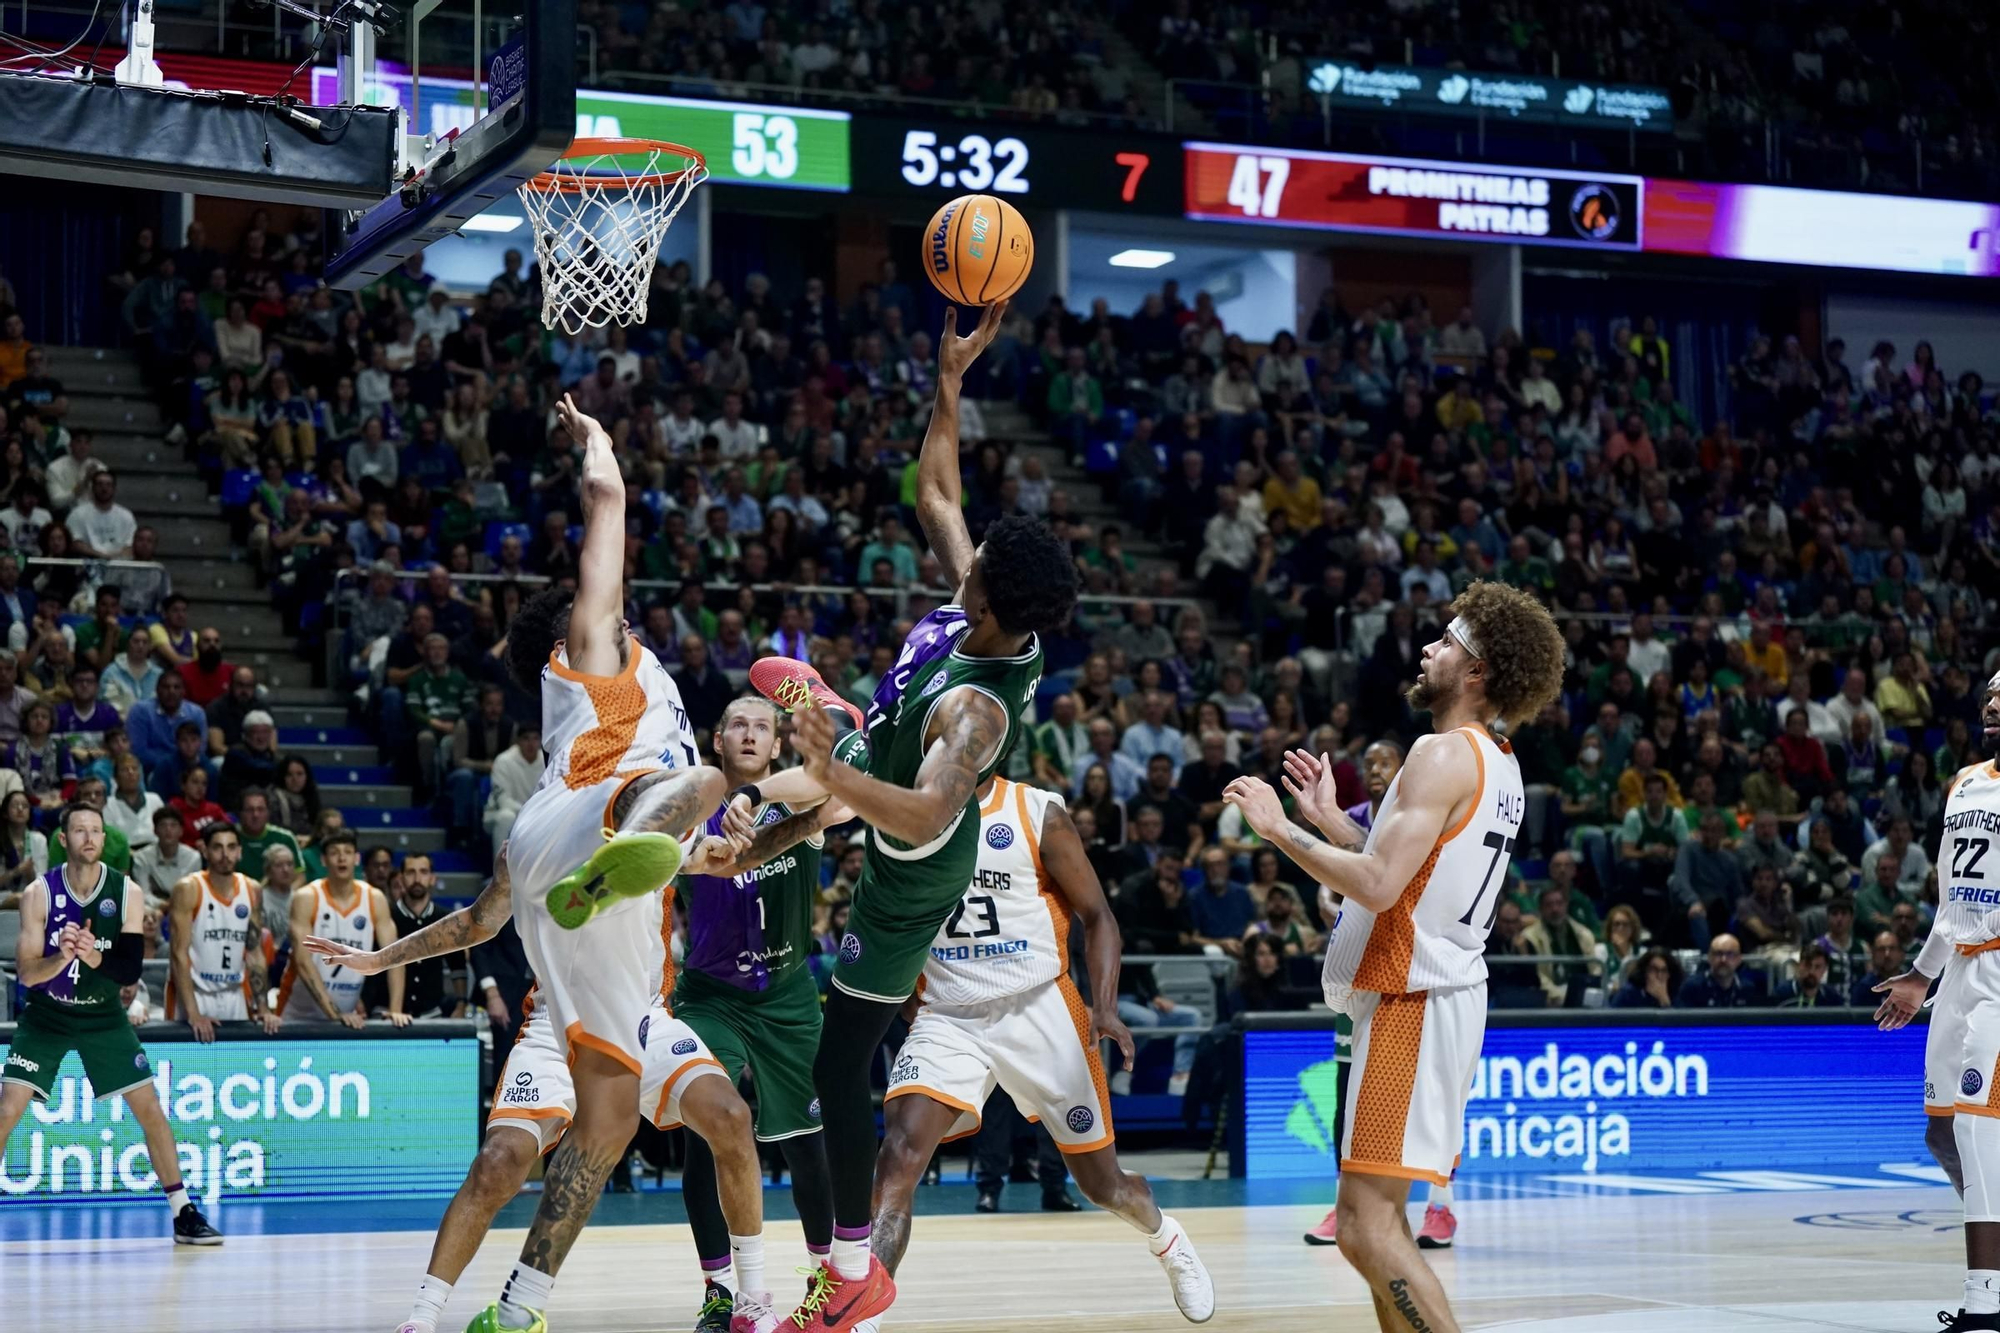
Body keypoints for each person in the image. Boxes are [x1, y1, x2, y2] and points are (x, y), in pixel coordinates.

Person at [741, 303, 1080, 1333]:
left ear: (987, 596)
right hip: (872, 784)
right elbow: (935, 487)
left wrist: (831, 774)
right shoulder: (975, 603)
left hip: (912, 864)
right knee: (822, 1061)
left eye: (975, 557)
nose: (961, 547)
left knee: (838, 1064)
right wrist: (948, 377)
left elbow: (931, 803)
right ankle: (831, 744)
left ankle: (852, 1271)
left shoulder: (976, 706)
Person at [449, 392, 733, 1333]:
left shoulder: (617, 683)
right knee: (691, 779)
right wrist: (599, 441)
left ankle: (521, 1305)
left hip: (573, 892)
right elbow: (604, 508)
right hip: (597, 823)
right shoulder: (600, 656)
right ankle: (632, 847)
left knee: (607, 1127)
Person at [1227, 580, 1563, 1333]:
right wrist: (1330, 824)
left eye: (1445, 642)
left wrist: (1280, 829)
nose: (1427, 649)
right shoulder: (1498, 760)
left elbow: (1379, 887)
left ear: (1476, 671)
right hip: (1436, 993)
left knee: (1362, 1228)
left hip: (1413, 998)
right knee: (1381, 1224)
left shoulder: (1439, 751)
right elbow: (1411, 872)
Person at [303, 830, 769, 1333]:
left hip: (644, 1019)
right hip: (557, 1025)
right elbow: (474, 923)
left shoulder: (657, 825)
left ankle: (751, 1300)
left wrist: (759, 810)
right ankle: (423, 1317)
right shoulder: (532, 843)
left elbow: (715, 854)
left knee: (730, 1116)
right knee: (497, 1164)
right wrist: (377, 959)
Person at [868, 775, 1213, 1329]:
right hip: (950, 1016)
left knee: (1104, 1186)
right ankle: (864, 1310)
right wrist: (907, 998)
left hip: (1041, 1008)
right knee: (898, 1155)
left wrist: (1103, 1007)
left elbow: (1099, 915)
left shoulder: (1036, 811)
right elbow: (890, 923)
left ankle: (1167, 1238)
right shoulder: (904, 814)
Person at [679, 698, 854, 1328]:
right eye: (739, 725)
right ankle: (721, 1294)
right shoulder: (691, 803)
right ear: (717, 740)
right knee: (709, 1139)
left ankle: (824, 1282)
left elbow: (837, 781)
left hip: (787, 998)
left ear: (776, 745)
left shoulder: (802, 798)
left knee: (809, 1149)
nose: (751, 734)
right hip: (709, 997)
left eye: (763, 727)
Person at [0, 803, 224, 1243]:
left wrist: (90, 954)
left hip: (103, 1016)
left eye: (96, 831)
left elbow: (129, 970)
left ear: (104, 839)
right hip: (48, 1015)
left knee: (151, 1110)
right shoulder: (38, 894)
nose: (88, 837)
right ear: (63, 840)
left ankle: (183, 1213)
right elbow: (26, 974)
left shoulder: (127, 892)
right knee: (8, 1108)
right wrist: (60, 957)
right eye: (79, 830)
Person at [1877, 670, 2000, 1331]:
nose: (1993, 703)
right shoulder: (1965, 783)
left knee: (1983, 1128)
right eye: (1989, 694)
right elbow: (1953, 901)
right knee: (1943, 1128)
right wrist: (1921, 976)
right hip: (1960, 970)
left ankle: (1987, 1298)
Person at [275, 830, 407, 1026]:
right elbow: (303, 962)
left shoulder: (374, 899)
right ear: (323, 860)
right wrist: (335, 1014)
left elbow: (394, 956)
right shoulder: (307, 898)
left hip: (345, 1016)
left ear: (356, 858)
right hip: (296, 1013)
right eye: (335, 852)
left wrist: (395, 1010)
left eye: (347, 852)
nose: (341, 858)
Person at [164, 822, 279, 1039]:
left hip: (233, 993)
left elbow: (254, 952)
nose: (225, 854)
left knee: (237, 1066)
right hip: (194, 993)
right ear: (204, 850)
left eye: (231, 847)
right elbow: (178, 954)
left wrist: (262, 1008)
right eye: (217, 847)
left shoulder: (252, 889)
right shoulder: (188, 888)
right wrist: (194, 1013)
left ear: (240, 851)